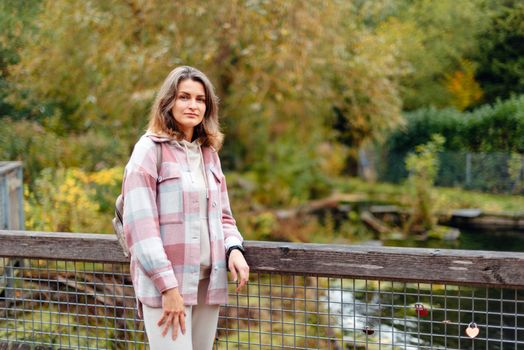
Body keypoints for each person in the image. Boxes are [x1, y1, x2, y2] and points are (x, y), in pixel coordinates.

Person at [122, 66, 249, 349]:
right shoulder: (148, 150)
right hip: (168, 285)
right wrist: (168, 287)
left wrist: (234, 249)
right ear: (169, 101)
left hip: (208, 283)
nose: (193, 105)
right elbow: (140, 229)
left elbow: (224, 217)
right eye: (184, 97)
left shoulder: (209, 154)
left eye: (200, 99)